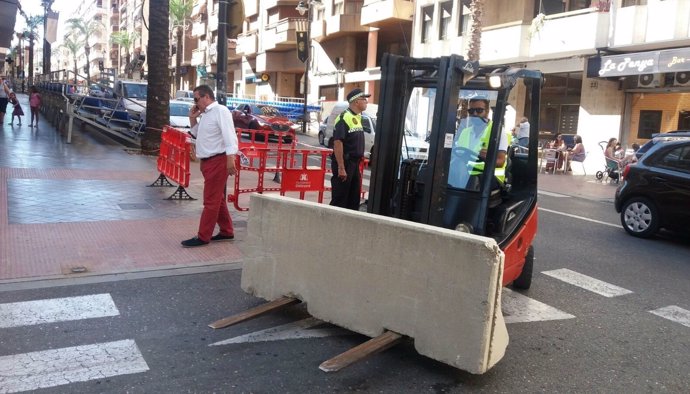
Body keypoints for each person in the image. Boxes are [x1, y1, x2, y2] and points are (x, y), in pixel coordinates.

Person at [181, 85, 239, 248]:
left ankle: (203, 236)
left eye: (196, 99)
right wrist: (193, 119)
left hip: (217, 161)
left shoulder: (220, 111)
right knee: (217, 199)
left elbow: (230, 136)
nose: (195, 103)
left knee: (210, 201)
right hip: (208, 162)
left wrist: (230, 159)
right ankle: (227, 231)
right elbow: (198, 134)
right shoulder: (207, 114)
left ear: (206, 97)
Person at [448, 98, 509, 190]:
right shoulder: (465, 132)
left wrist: (488, 158)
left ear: (487, 111)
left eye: (479, 110)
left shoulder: (497, 132)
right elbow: (458, 154)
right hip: (466, 173)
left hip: (489, 176)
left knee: (468, 181)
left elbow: (501, 161)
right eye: (471, 111)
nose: (475, 114)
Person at [330, 87, 369, 209]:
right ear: (356, 101)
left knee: (353, 199)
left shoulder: (358, 117)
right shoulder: (343, 118)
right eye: (364, 99)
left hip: (354, 164)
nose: (366, 102)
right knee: (340, 199)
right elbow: (337, 143)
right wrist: (341, 167)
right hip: (345, 163)